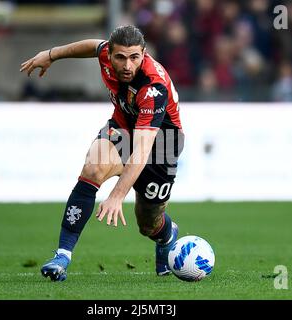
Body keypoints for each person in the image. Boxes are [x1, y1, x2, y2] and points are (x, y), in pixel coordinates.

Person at [20, 25, 184, 282]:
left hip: (161, 145)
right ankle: (62, 256)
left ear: (143, 53)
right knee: (93, 169)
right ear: (110, 54)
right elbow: (90, 46)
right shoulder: (105, 52)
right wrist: (51, 55)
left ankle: (166, 236)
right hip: (123, 128)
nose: (127, 65)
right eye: (120, 57)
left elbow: (142, 151)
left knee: (148, 223)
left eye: (134, 58)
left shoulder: (153, 87)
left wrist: (118, 195)